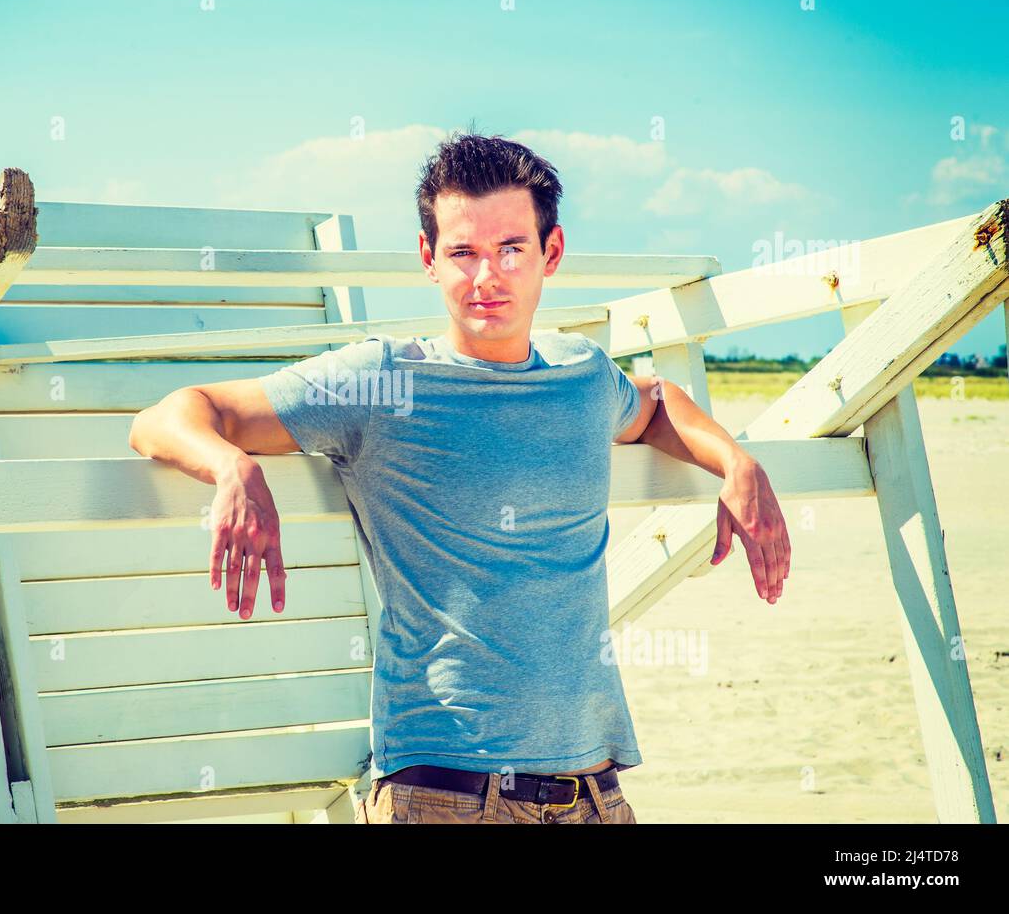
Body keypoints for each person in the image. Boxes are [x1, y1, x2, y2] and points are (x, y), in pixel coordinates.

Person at [128, 130, 791, 824]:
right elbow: (169, 415)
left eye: (511, 250)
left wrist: (735, 460)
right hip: (445, 795)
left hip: (596, 794)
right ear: (428, 258)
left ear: (550, 253)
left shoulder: (583, 376)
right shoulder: (381, 381)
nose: (487, 277)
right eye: (463, 253)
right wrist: (230, 465)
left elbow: (654, 406)